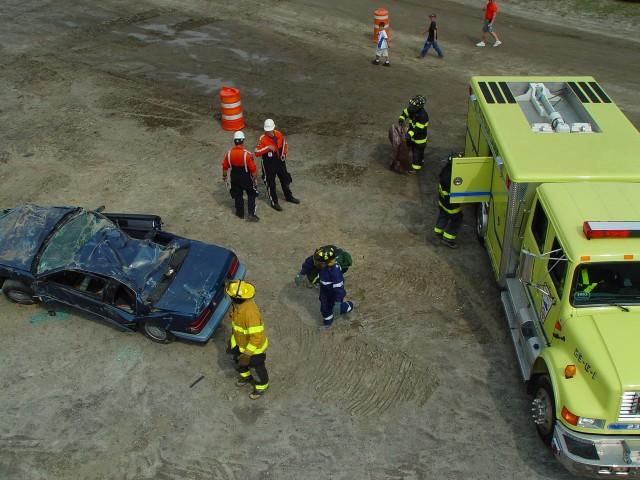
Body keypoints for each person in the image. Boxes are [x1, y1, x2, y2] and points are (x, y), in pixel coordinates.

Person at [226, 280, 269, 400]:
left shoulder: (250, 314)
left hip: (254, 349)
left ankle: (262, 386)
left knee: (256, 367)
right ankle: (246, 376)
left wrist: (247, 354)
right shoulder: (238, 305)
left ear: (235, 298)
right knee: (237, 360)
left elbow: (256, 337)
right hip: (240, 342)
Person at [299, 246, 353, 326]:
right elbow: (311, 261)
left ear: (326, 262)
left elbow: (339, 289)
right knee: (324, 308)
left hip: (332, 293)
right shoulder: (323, 266)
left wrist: (338, 302)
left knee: (333, 308)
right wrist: (301, 273)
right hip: (324, 292)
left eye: (319, 262)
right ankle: (328, 322)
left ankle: (347, 306)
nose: (316, 263)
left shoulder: (335, 272)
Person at [254, 119, 300, 211]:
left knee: (285, 179)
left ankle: (289, 196)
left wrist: (284, 153)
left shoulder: (279, 134)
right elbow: (256, 152)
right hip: (268, 164)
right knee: (271, 183)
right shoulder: (262, 138)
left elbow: (284, 144)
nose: (269, 132)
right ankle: (274, 202)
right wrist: (267, 148)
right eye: (267, 130)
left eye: (270, 130)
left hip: (280, 161)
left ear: (273, 128)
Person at [222, 131, 259, 221]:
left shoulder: (229, 153)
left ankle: (240, 213)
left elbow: (225, 167)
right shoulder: (247, 154)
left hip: (234, 176)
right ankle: (251, 214)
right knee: (251, 193)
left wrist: (225, 177)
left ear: (235, 141)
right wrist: (254, 180)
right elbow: (253, 170)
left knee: (238, 195)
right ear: (243, 141)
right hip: (245, 177)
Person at [434, 154, 464, 249]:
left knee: (443, 214)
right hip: (450, 204)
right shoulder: (453, 176)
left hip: (442, 201)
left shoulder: (445, 170)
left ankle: (438, 230)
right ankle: (448, 238)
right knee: (457, 219)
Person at [398, 95, 429, 173]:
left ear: (419, 107)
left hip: (420, 139)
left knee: (417, 153)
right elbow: (405, 113)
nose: (410, 107)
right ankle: (420, 160)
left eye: (413, 106)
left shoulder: (423, 116)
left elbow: (418, 130)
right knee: (414, 151)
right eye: (410, 105)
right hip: (412, 136)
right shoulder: (412, 109)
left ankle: (416, 169)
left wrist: (409, 134)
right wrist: (401, 118)